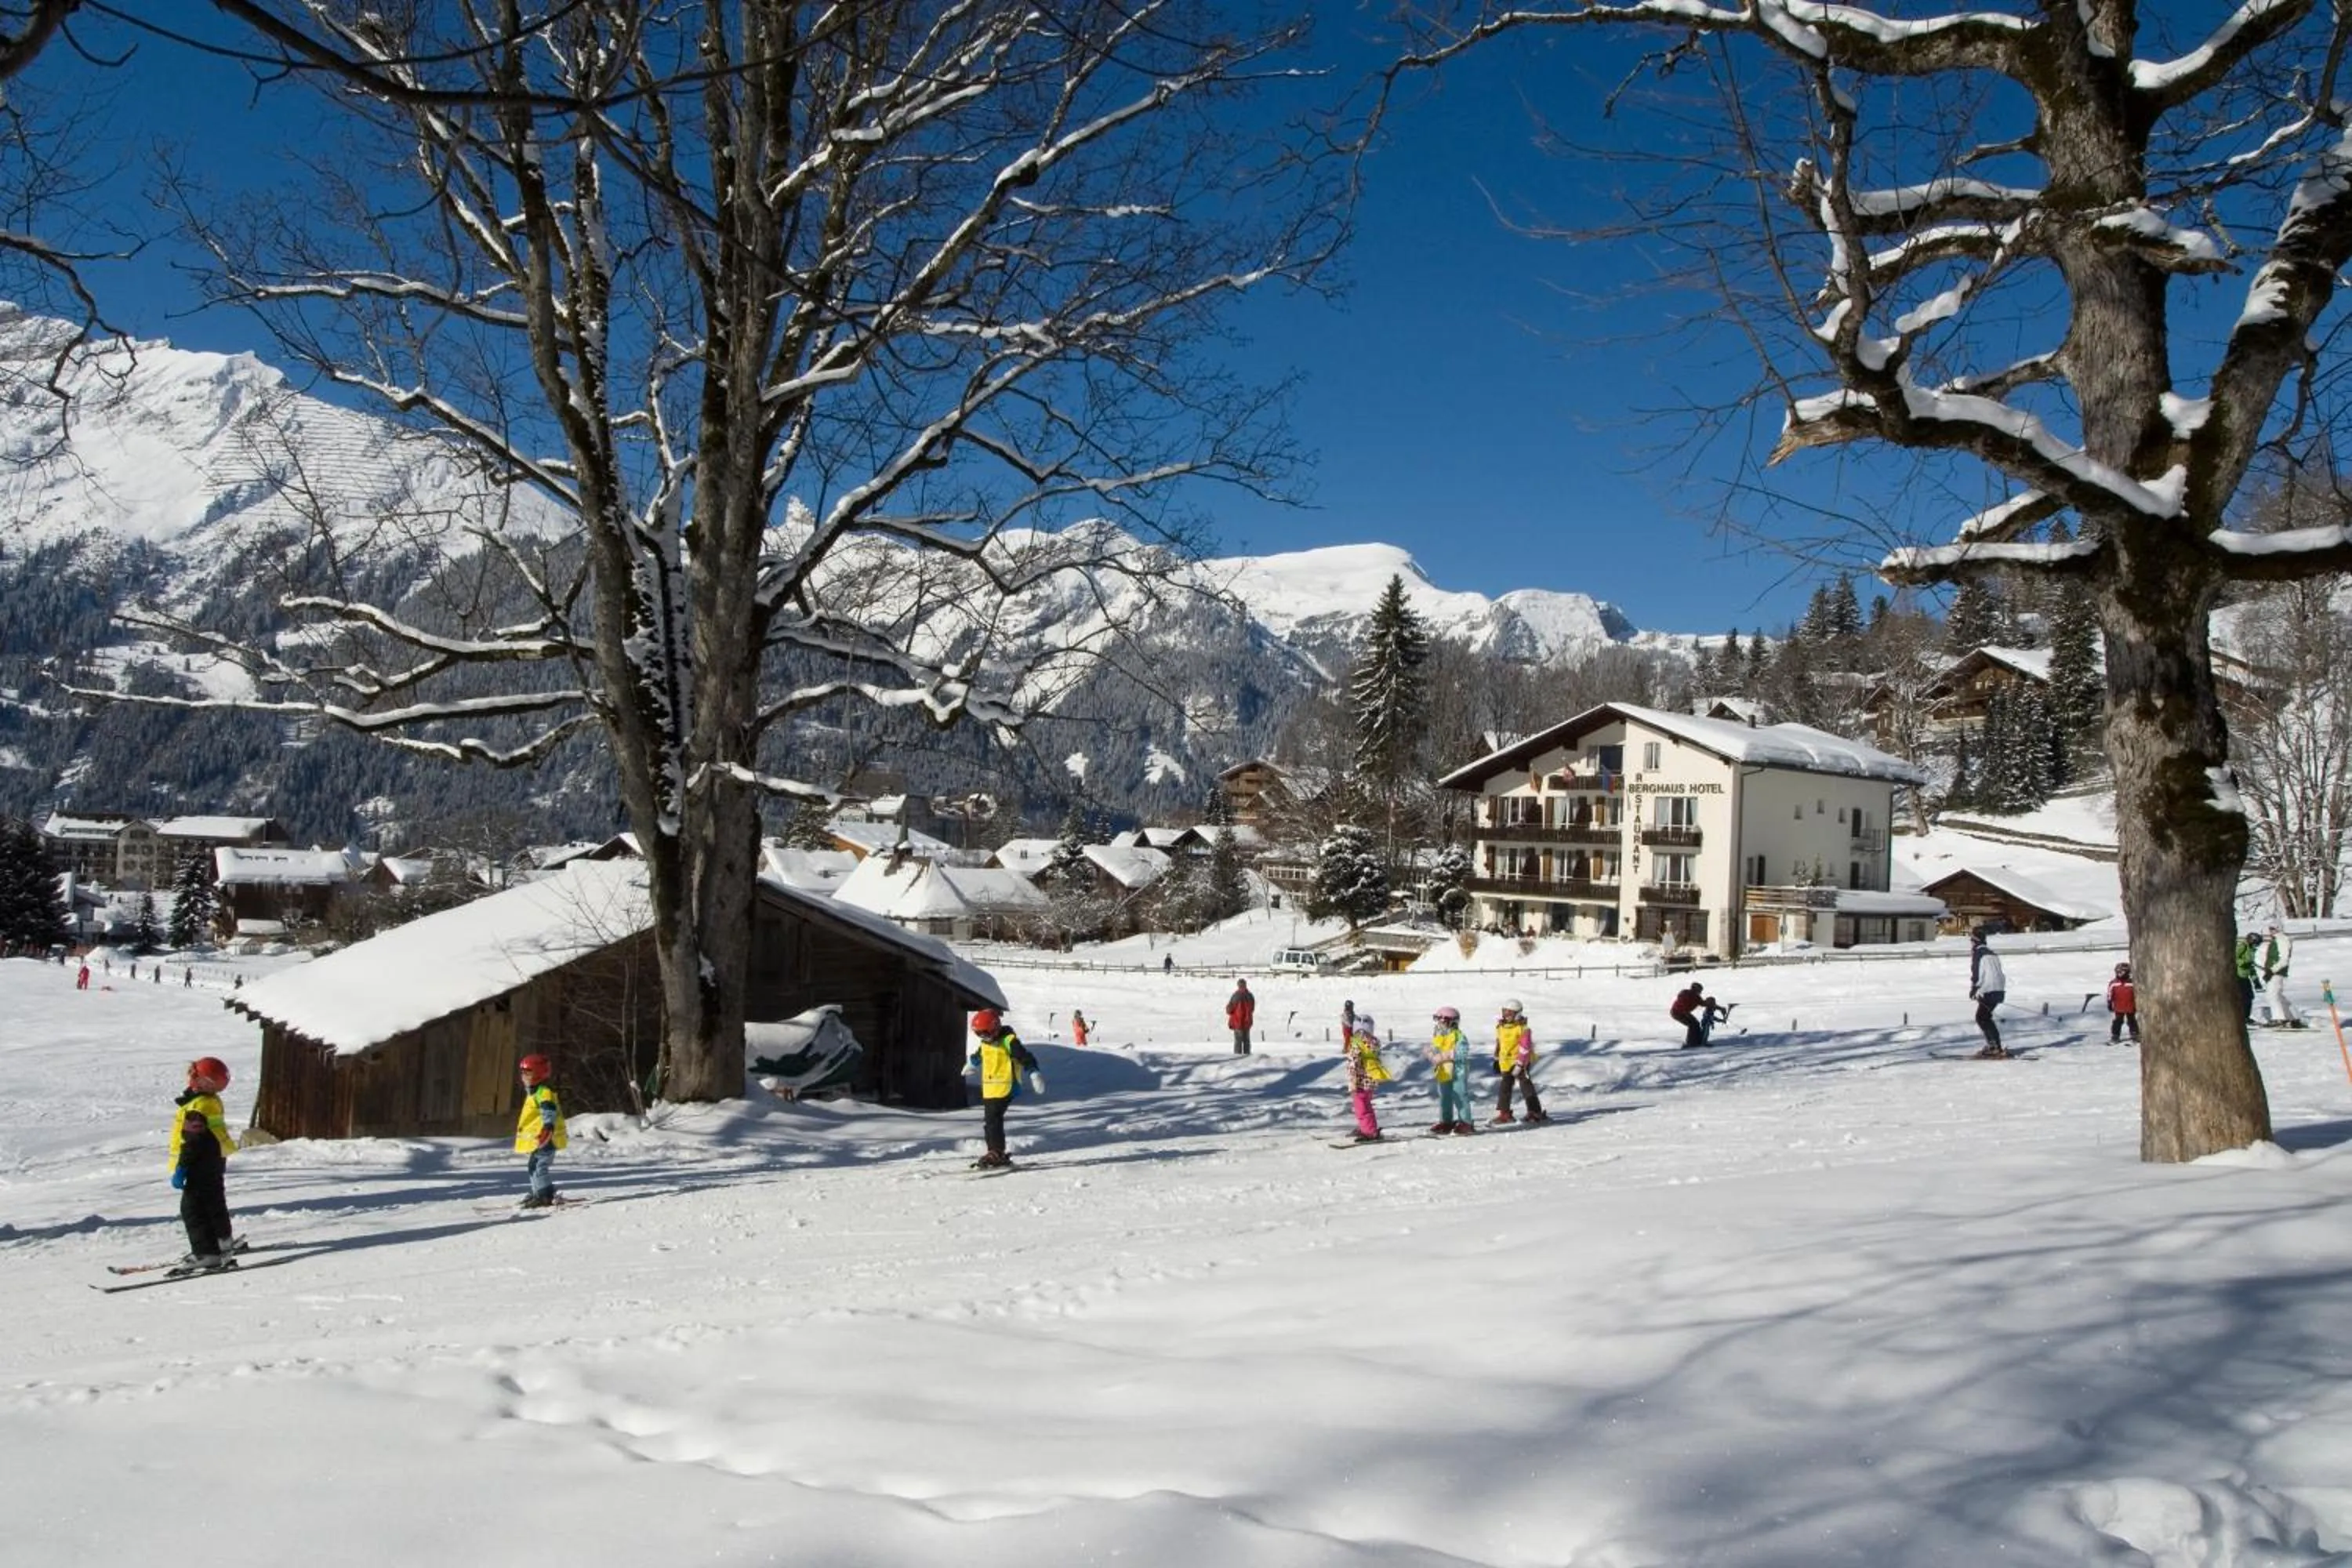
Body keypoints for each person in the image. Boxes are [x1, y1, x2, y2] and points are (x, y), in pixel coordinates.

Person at [169, 1057, 240, 1272]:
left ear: (206, 1082)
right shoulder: (209, 1101)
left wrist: (182, 1167)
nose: (190, 1077)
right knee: (213, 1203)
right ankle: (221, 1242)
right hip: (214, 1160)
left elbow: (193, 1141)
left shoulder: (198, 1106)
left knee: (192, 1209)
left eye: (194, 1074)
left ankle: (207, 1254)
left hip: (200, 1162)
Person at [967, 1008, 1042, 1170]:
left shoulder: (1009, 1041)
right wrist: (971, 1063)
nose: (983, 1037)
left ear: (995, 1028)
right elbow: (980, 1054)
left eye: (985, 1033)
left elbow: (1024, 1056)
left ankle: (996, 1152)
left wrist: (1034, 1072)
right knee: (990, 1122)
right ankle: (995, 1152)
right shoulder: (985, 1043)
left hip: (1007, 1087)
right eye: (978, 1034)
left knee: (993, 1119)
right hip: (990, 1089)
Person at [514, 1054, 567, 1207]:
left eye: (528, 1073)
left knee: (539, 1167)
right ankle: (540, 1192)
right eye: (522, 1073)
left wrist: (548, 1127)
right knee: (533, 1166)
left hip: (546, 1138)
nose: (524, 1077)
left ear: (538, 1074)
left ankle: (544, 1196)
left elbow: (549, 1110)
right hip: (539, 1139)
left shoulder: (544, 1092)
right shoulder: (534, 1092)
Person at [1490, 1000, 1548, 1124]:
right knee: (1504, 1088)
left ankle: (1535, 1112)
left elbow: (1525, 1048)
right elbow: (1499, 1044)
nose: (1506, 1015)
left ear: (1517, 1014)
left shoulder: (1523, 1029)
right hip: (1505, 1062)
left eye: (1510, 1013)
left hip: (1520, 1062)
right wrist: (1496, 1059)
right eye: (1505, 1012)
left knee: (1526, 1086)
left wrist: (1520, 1064)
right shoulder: (1500, 1027)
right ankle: (1504, 1113)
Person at [1427, 1007, 1476, 1135]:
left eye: (1444, 1021)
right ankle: (1446, 1121)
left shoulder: (1459, 1036)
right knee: (1445, 1096)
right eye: (1439, 1020)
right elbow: (1435, 1048)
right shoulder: (1438, 1035)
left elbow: (1463, 1052)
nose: (1440, 1023)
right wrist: (1431, 1054)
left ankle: (1466, 1122)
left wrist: (1445, 1056)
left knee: (1460, 1095)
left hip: (1458, 1071)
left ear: (1453, 1022)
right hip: (1444, 1071)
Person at [1343, 1013, 1387, 1142]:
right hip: (1370, 1080)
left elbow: (1354, 1062)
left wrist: (1353, 1080)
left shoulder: (1358, 1043)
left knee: (1361, 1106)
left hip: (1360, 1081)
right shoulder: (1373, 1042)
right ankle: (1367, 1127)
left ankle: (1369, 1131)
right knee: (1365, 1104)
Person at [1969, 929, 2009, 1058]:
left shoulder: (1979, 954)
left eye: (1972, 940)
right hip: (1999, 989)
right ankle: (1994, 1046)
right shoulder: (1992, 954)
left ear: (1976, 941)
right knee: (1985, 1017)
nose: (1971, 943)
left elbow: (1978, 973)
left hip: (1988, 989)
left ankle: (1995, 1047)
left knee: (1982, 1018)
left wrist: (1974, 988)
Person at [1669, 980, 1728, 1050]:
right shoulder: (1686, 995)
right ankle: (1690, 1043)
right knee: (1692, 1025)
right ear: (1694, 989)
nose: (1700, 992)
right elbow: (1683, 1008)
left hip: (1685, 1012)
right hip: (1677, 1013)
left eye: (1700, 991)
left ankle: (1697, 1041)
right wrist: (1689, 1017)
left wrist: (1720, 1008)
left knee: (1696, 1024)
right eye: (1699, 990)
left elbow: (1704, 1004)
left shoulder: (1696, 997)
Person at [2259, 923, 2299, 1026]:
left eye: (2273, 929)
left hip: (2277, 972)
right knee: (2278, 995)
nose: (2271, 931)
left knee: (2272, 995)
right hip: (2274, 972)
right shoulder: (2276, 940)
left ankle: (2279, 1019)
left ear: (2279, 929)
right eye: (2270, 929)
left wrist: (2272, 970)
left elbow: (2284, 959)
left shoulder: (2281, 940)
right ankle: (2293, 1016)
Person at [2106, 962, 2140, 1044]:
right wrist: (2110, 1002)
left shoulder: (2132, 983)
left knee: (2132, 1020)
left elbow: (2138, 993)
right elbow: (2110, 993)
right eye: (2118, 972)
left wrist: (2138, 1003)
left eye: (2122, 972)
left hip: (2131, 1005)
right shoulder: (2114, 983)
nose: (2119, 974)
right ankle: (2115, 1036)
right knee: (2118, 1021)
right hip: (2119, 1006)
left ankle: (2135, 1035)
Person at [2234, 932, 2259, 1022]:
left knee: (2249, 997)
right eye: (2256, 943)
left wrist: (2256, 980)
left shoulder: (2251, 950)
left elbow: (2251, 967)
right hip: (2238, 976)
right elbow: (2233, 957)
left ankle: (2246, 1016)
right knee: (2243, 997)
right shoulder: (2242, 946)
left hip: (2245, 976)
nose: (2256, 946)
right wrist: (2243, 962)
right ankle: (2241, 1017)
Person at [1225, 978, 1255, 1056]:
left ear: (1238, 985)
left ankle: (1238, 1059)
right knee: (1246, 1042)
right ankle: (1247, 1057)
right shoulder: (1250, 996)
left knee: (1238, 1043)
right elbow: (1252, 1009)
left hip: (1237, 1022)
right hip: (1247, 1022)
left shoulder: (1236, 996)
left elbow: (1229, 1010)